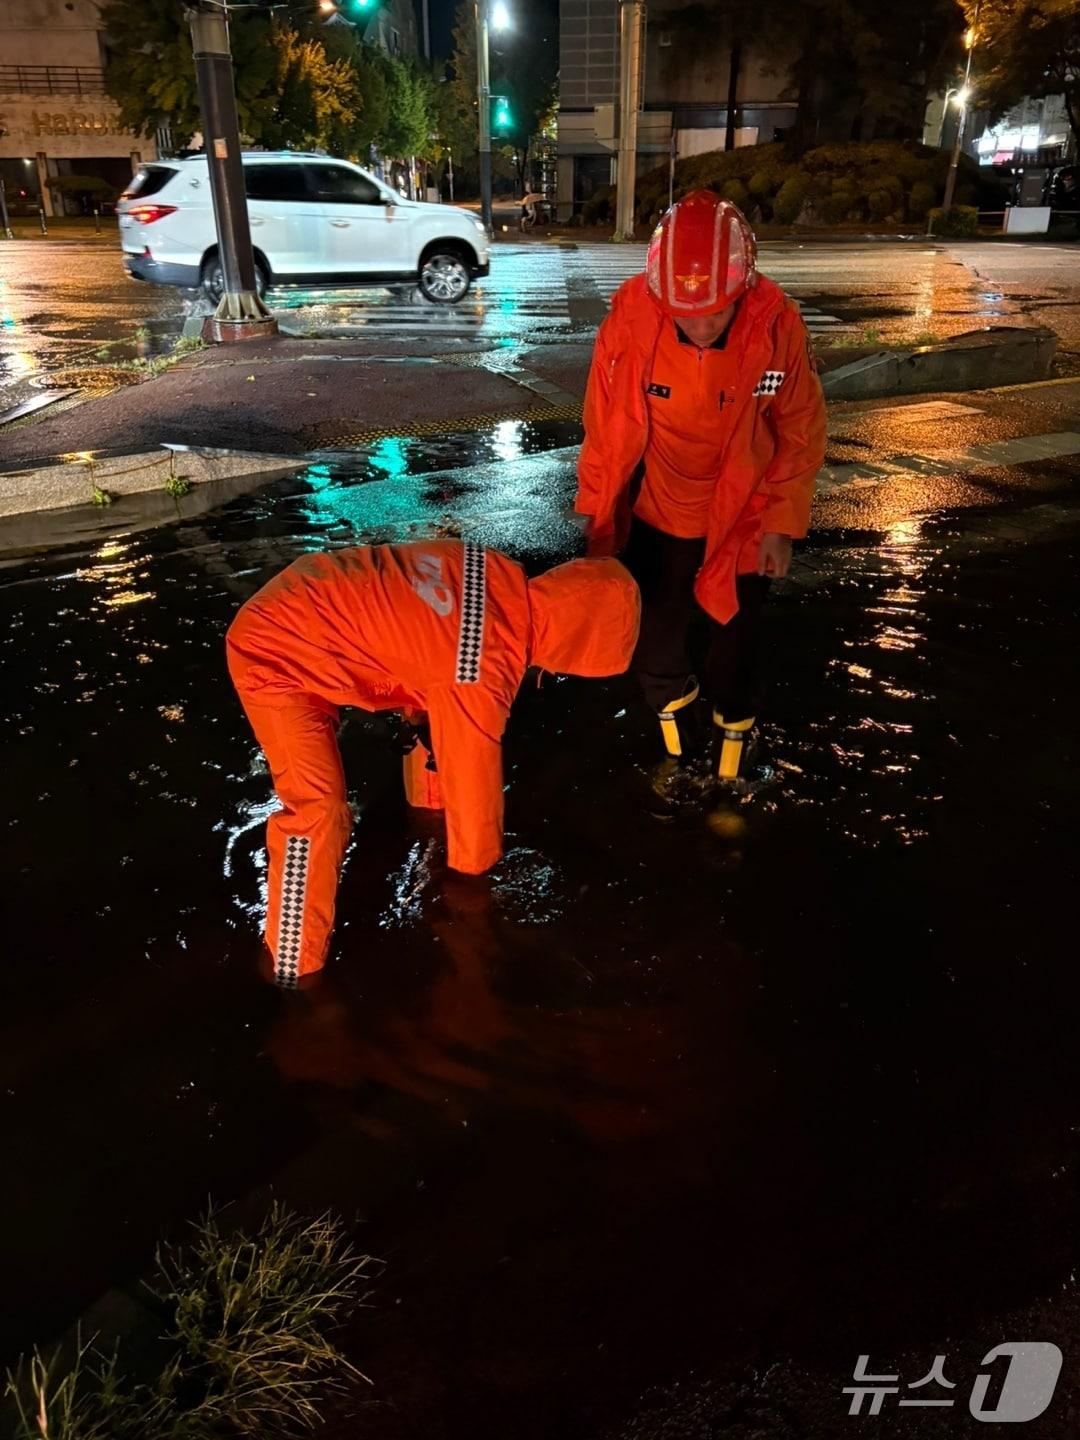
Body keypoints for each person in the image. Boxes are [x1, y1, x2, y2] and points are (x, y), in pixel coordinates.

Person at [226, 540, 640, 984]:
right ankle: (293, 969)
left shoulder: (495, 573)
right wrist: (471, 895)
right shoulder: (482, 664)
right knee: (318, 810)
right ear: (578, 640)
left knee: (434, 709)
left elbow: (423, 640)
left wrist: (432, 828)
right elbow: (474, 791)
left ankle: (423, 818)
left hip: (303, 596)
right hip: (271, 654)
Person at [575, 189, 827, 785]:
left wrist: (781, 526)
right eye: (686, 314)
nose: (701, 325)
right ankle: (678, 754)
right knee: (653, 649)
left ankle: (734, 762)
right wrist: (599, 516)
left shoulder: (777, 325)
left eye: (716, 311)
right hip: (660, 512)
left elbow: (799, 428)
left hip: (743, 514)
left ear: (742, 289)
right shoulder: (631, 321)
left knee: (733, 653)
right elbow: (603, 425)